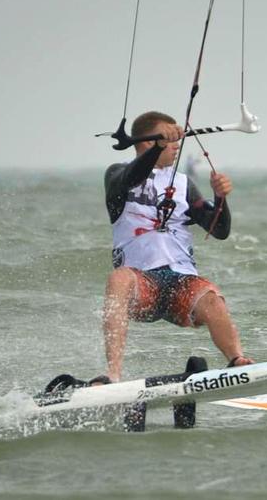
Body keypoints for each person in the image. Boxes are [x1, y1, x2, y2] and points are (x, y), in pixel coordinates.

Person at [101, 111, 253, 381]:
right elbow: (130, 178)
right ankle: (113, 376)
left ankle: (237, 361)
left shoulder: (183, 184)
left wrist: (220, 199)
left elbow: (219, 231)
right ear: (147, 142)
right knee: (118, 279)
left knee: (211, 297)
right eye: (169, 141)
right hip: (141, 283)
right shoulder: (117, 173)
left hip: (180, 281)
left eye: (175, 141)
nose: (176, 146)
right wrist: (158, 146)